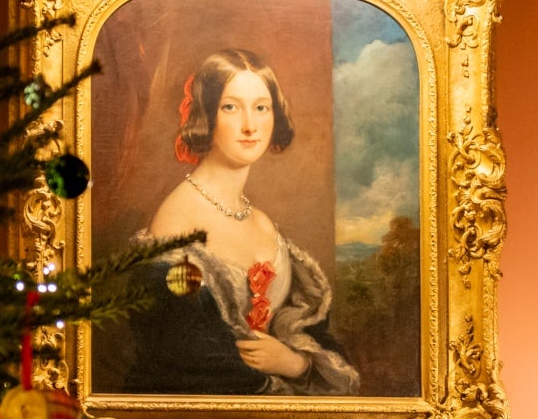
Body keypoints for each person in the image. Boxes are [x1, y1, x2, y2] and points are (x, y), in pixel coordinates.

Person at [105, 49, 361, 396]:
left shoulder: (263, 223)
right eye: (230, 107)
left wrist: (295, 364)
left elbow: (310, 332)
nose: (249, 125)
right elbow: (189, 360)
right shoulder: (177, 221)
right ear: (206, 115)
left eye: (261, 107)